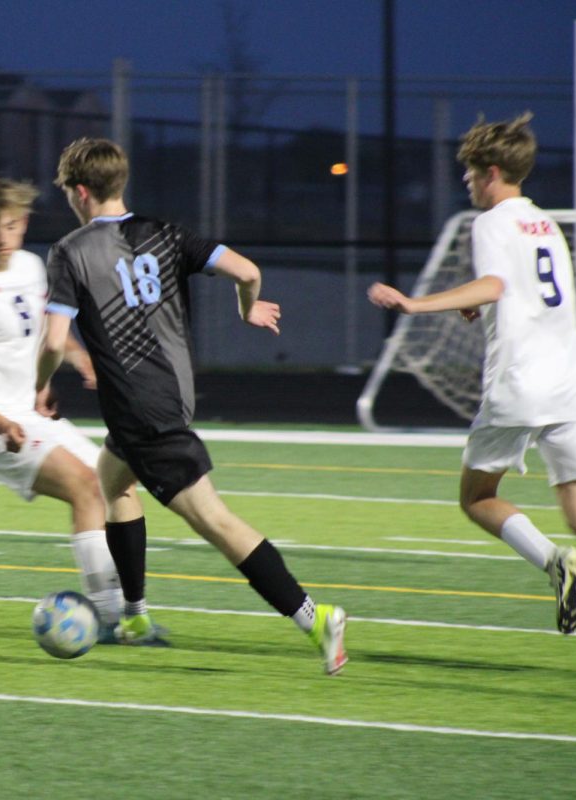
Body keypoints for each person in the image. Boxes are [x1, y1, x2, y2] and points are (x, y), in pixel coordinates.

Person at [35, 137, 348, 674]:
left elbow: (51, 340)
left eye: (67, 191)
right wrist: (247, 311)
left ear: (81, 192)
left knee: (216, 522)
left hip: (141, 412)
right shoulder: (167, 232)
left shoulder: (70, 252)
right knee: (113, 480)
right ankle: (133, 616)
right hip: (171, 399)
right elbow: (248, 272)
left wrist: (39, 389)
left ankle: (315, 617)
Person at [368, 112, 576, 635]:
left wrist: (413, 303)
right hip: (571, 379)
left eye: (471, 173)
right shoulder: (546, 224)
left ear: (492, 172)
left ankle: (553, 561)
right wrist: (479, 304)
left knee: (476, 498)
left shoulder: (491, 221)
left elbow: (495, 285)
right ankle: (568, 556)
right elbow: (519, 290)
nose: (467, 183)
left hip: (521, 381)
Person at [0, 176, 132, 640]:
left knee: (115, 485)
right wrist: (0, 422)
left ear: (24, 222)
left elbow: (41, 331)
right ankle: (113, 620)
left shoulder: (32, 266)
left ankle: (127, 613)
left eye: (12, 226)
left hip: (25, 412)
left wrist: (67, 362)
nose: (3, 239)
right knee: (84, 487)